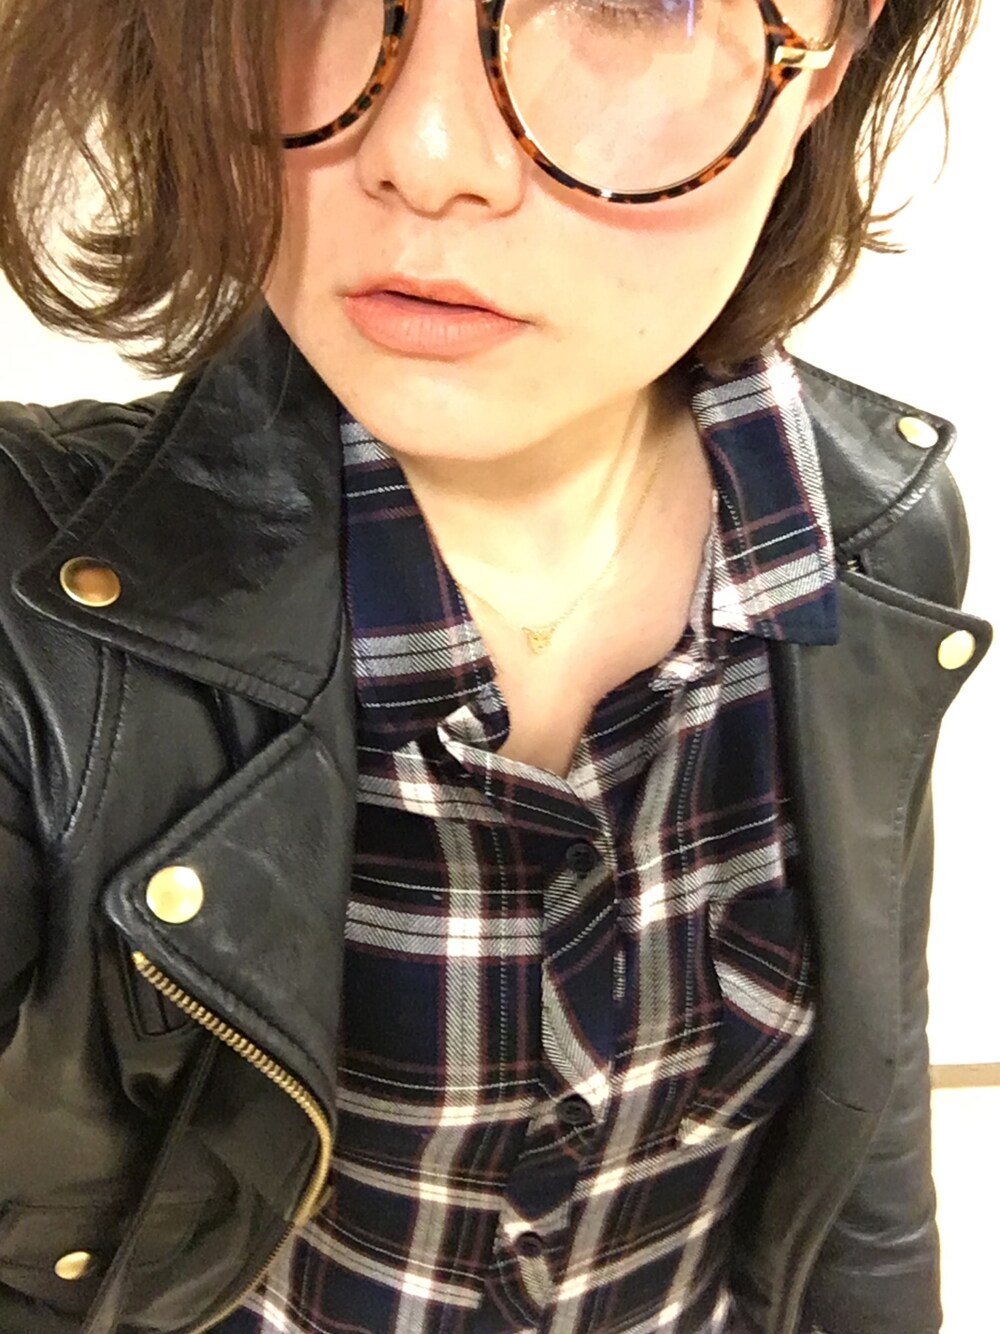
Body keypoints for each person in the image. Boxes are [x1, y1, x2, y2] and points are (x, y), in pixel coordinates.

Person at [0, 1, 991, 1331]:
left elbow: (869, 1117)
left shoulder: (870, 540)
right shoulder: (41, 623)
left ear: (830, 57)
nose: (425, 152)